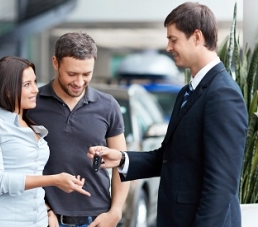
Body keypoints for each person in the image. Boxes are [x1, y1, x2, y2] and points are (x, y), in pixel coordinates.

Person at [88, 2, 248, 227]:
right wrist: (122, 159)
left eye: (173, 39)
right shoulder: (187, 92)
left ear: (196, 37)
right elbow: (170, 157)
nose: (168, 47)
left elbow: (221, 184)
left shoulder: (223, 94)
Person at [0, 32, 130, 227]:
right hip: (49, 220)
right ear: (55, 63)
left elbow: (122, 161)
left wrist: (116, 211)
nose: (79, 82)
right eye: (72, 74)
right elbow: (1, 159)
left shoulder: (108, 105)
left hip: (98, 218)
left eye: (86, 74)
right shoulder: (31, 102)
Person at [0, 56, 91, 227]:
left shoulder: (31, 124)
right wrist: (54, 180)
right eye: (27, 85)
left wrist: (47, 210)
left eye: (34, 82)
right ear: (8, 90)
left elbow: (31, 173)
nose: (36, 90)